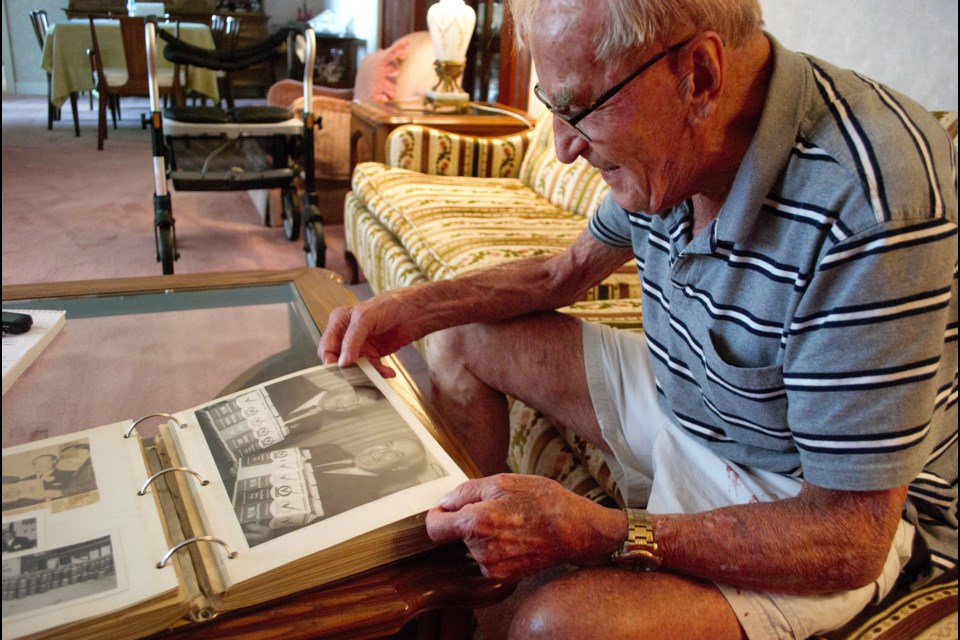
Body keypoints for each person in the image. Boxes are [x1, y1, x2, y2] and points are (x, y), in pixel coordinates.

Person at [319, 1, 958, 637]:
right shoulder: (672, 147)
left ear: (700, 76)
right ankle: (460, 603)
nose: (563, 149)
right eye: (554, 107)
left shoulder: (873, 193)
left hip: (807, 493)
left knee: (556, 625)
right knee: (460, 337)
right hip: (692, 402)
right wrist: (412, 308)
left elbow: (852, 537)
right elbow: (559, 275)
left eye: (580, 110)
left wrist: (604, 533)